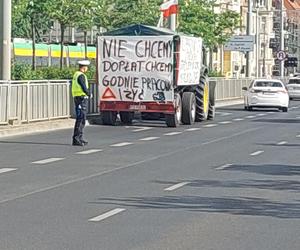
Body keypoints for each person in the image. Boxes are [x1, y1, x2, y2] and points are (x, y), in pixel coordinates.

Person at [72, 60, 91, 146]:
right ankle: (76, 139)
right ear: (84, 67)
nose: (87, 68)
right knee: (81, 119)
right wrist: (89, 93)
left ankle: (79, 138)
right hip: (81, 99)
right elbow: (83, 86)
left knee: (81, 119)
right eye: (86, 67)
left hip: (78, 98)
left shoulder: (76, 74)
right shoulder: (81, 76)